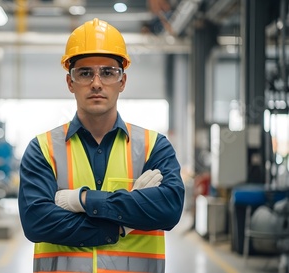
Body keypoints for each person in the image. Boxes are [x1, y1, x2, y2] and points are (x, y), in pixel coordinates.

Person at [18, 18, 185, 273]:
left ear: (122, 81)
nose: (96, 83)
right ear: (70, 82)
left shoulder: (154, 147)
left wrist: (82, 199)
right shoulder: (43, 149)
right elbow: (37, 222)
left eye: (108, 72)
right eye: (85, 73)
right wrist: (120, 225)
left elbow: (169, 210)